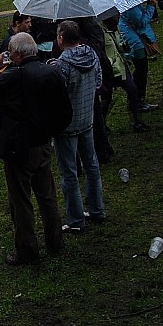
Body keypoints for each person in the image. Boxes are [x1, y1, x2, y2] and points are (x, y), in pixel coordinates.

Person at [0, 33, 71, 266]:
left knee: (21, 201)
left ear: (16, 54)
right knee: (47, 195)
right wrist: (51, 132)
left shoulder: (15, 77)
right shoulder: (51, 72)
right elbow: (64, 110)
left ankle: (27, 250)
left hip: (18, 148)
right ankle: (55, 241)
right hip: (42, 143)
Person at [51, 20, 105, 233]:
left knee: (69, 173)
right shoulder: (91, 54)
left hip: (67, 125)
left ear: (61, 39)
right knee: (92, 166)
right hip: (87, 119)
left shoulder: (62, 66)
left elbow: (57, 95)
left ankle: (75, 220)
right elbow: (98, 82)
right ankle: (97, 209)